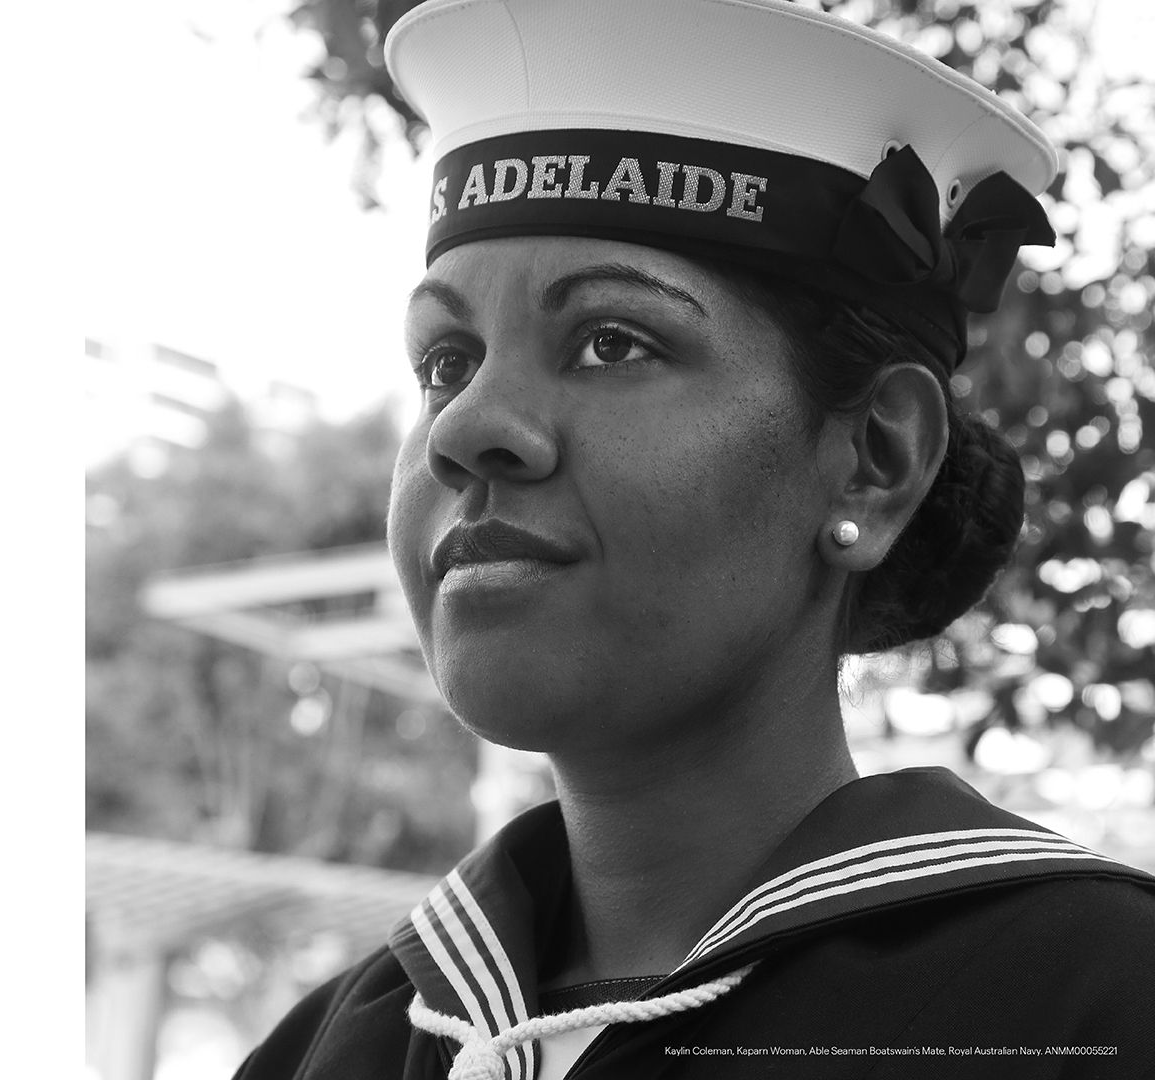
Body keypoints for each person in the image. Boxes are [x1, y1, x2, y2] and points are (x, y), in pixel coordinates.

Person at [231, 1, 1155, 1077]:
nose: (470, 427)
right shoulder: (340, 1046)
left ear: (876, 459)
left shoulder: (1093, 1006)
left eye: (611, 342)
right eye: (445, 361)